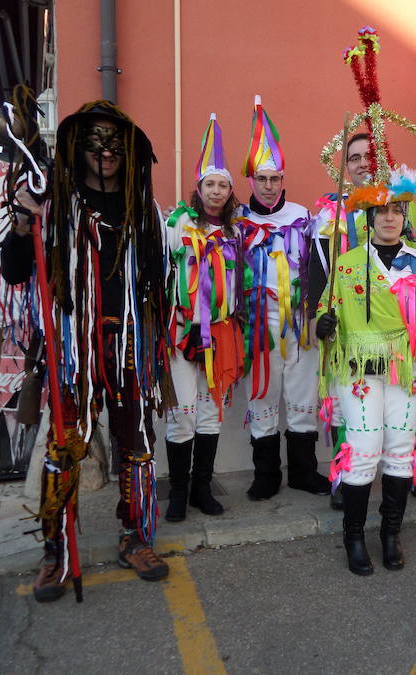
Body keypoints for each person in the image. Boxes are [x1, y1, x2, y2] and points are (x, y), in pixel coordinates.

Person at [0, 100, 172, 601]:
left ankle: (135, 537)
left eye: (114, 140)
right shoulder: (53, 205)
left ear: (130, 149)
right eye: (93, 139)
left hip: (126, 350)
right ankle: (55, 550)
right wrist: (20, 226)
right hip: (71, 352)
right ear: (76, 146)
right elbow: (15, 272)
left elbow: (159, 282)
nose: (105, 150)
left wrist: (154, 345)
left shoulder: (145, 211)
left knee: (137, 447)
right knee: (63, 450)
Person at [316, 166, 416, 576]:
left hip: (407, 370)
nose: (389, 217)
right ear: (369, 219)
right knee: (362, 453)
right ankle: (353, 538)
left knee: (400, 454)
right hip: (359, 371)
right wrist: (323, 323)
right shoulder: (347, 263)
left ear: (405, 218)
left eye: (396, 210)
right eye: (381, 211)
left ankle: (391, 535)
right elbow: (326, 306)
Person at [239, 95, 330, 501]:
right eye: (263, 179)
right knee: (261, 390)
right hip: (258, 322)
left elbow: (321, 264)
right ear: (252, 182)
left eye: (275, 179)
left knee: (302, 390)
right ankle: (266, 473)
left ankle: (304, 471)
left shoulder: (302, 216)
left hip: (299, 320)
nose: (270, 186)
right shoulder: (237, 220)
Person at [163, 114, 244, 522]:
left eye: (223, 185)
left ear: (230, 192)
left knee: (212, 414)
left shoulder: (235, 232)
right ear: (199, 188)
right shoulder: (178, 226)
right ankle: (177, 493)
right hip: (182, 333)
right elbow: (161, 275)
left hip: (221, 334)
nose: (216, 191)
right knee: (184, 415)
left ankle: (201, 489)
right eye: (209, 184)